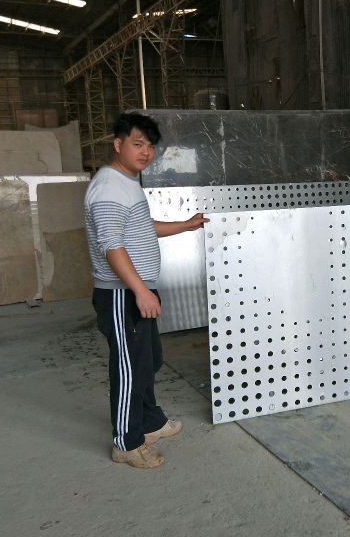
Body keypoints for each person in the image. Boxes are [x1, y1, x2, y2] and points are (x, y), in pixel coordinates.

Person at [84, 112, 208, 468]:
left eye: (151, 146)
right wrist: (140, 291)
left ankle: (150, 422)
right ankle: (126, 442)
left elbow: (140, 226)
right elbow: (112, 246)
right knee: (129, 369)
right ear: (117, 144)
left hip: (136, 289)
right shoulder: (108, 188)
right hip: (121, 293)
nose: (146, 153)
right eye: (137, 144)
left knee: (148, 360)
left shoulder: (126, 182)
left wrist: (184, 225)